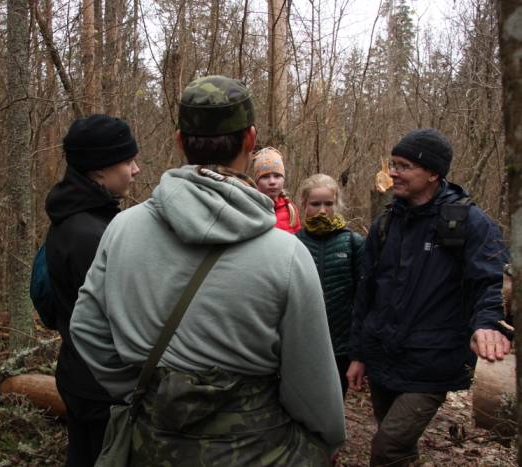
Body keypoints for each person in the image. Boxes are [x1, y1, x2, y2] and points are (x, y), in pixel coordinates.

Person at [70, 76, 346, 466]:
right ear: (251, 140)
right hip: (259, 450)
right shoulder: (287, 254)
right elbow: (313, 383)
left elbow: (86, 328)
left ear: (180, 141)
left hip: (153, 445)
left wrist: (151, 393)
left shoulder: (122, 230)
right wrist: (326, 443)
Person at [347, 128, 510, 467]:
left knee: (387, 448)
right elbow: (367, 294)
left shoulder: (469, 223)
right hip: (382, 357)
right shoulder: (385, 224)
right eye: (393, 164)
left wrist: (489, 324)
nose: (393, 172)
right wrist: (359, 355)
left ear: (434, 173)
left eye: (404, 166)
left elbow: (490, 280)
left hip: (430, 365)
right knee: (401, 451)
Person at [45, 114, 140, 467]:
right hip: (101, 387)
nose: (136, 169)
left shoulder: (73, 217)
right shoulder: (92, 233)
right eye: (128, 161)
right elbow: (117, 320)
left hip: (78, 373)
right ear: (99, 170)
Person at [295, 174, 364, 398]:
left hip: (341, 345)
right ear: (304, 204)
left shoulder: (353, 243)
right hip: (302, 343)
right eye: (315, 204)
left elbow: (364, 299)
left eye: (328, 204)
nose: (322, 210)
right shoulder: (293, 243)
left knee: (333, 403)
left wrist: (359, 353)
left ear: (337, 204)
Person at [252, 147, 301, 232]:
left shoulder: (291, 209)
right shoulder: (251, 208)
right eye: (265, 177)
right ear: (257, 181)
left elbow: (297, 242)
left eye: (277, 176)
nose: (272, 182)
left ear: (283, 179)